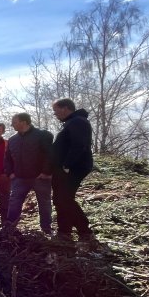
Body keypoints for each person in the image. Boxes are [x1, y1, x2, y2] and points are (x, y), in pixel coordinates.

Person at [3, 112, 54, 235]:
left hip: (40, 177)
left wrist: (46, 172)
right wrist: (10, 173)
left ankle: (46, 228)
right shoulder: (12, 140)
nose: (12, 124)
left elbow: (50, 155)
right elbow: (7, 158)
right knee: (14, 201)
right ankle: (10, 227)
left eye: (14, 122)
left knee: (44, 204)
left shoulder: (42, 135)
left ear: (23, 122)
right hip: (19, 178)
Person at [51, 98, 95, 242]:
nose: (55, 114)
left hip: (74, 167)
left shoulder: (78, 122)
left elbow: (79, 145)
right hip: (67, 168)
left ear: (65, 108)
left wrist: (67, 165)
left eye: (56, 111)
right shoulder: (71, 122)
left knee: (64, 198)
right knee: (60, 198)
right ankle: (64, 230)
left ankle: (84, 231)